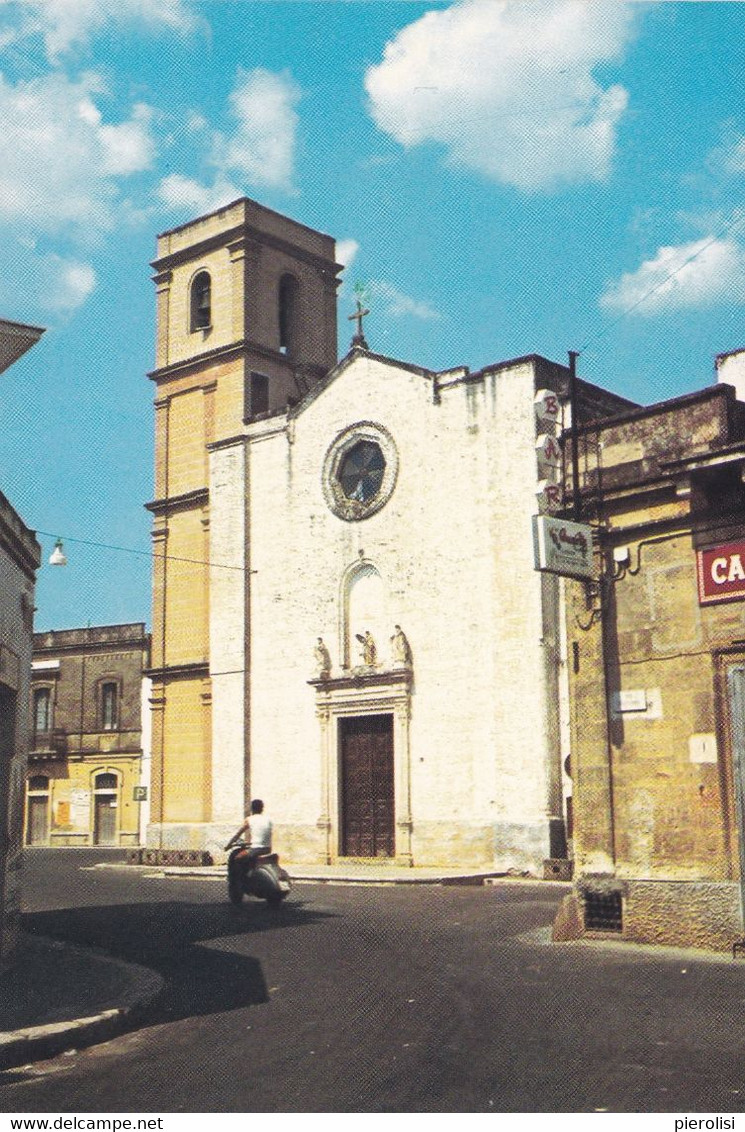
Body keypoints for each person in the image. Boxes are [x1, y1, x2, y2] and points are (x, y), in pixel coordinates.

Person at [225, 799, 273, 883]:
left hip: (255, 849)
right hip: (268, 849)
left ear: (252, 809)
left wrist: (228, 845)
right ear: (262, 808)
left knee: (237, 858)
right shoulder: (268, 820)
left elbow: (238, 834)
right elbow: (264, 835)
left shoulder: (249, 819)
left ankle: (237, 880)